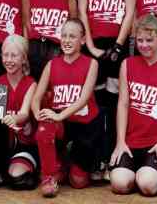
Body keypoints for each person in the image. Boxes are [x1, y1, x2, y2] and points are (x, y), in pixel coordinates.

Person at [78, 0, 135, 180]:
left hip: (115, 46)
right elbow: (83, 10)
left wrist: (119, 45)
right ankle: (96, 159)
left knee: (114, 103)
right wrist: (89, 45)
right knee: (95, 103)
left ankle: (113, 156)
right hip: (94, 45)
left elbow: (129, 12)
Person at [109, 13, 157, 197]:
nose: (144, 45)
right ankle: (139, 172)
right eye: (140, 40)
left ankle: (153, 172)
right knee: (119, 184)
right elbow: (123, 105)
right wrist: (120, 142)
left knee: (148, 185)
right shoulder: (127, 65)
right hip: (132, 142)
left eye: (149, 40)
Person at [32, 18, 102, 198]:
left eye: (72, 36)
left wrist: (59, 115)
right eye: (64, 36)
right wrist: (38, 115)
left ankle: (68, 163)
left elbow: (84, 99)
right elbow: (36, 98)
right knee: (44, 128)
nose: (67, 40)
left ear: (83, 40)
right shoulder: (52, 64)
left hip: (85, 126)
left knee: (78, 182)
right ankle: (49, 176)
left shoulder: (92, 64)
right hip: (61, 125)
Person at [0, 35, 39, 191]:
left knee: (17, 179)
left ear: (23, 59)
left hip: (24, 143)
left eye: (14, 55)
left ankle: (25, 171)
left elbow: (24, 113)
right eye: (5, 55)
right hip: (4, 144)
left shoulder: (31, 83)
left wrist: (14, 118)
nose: (9, 60)